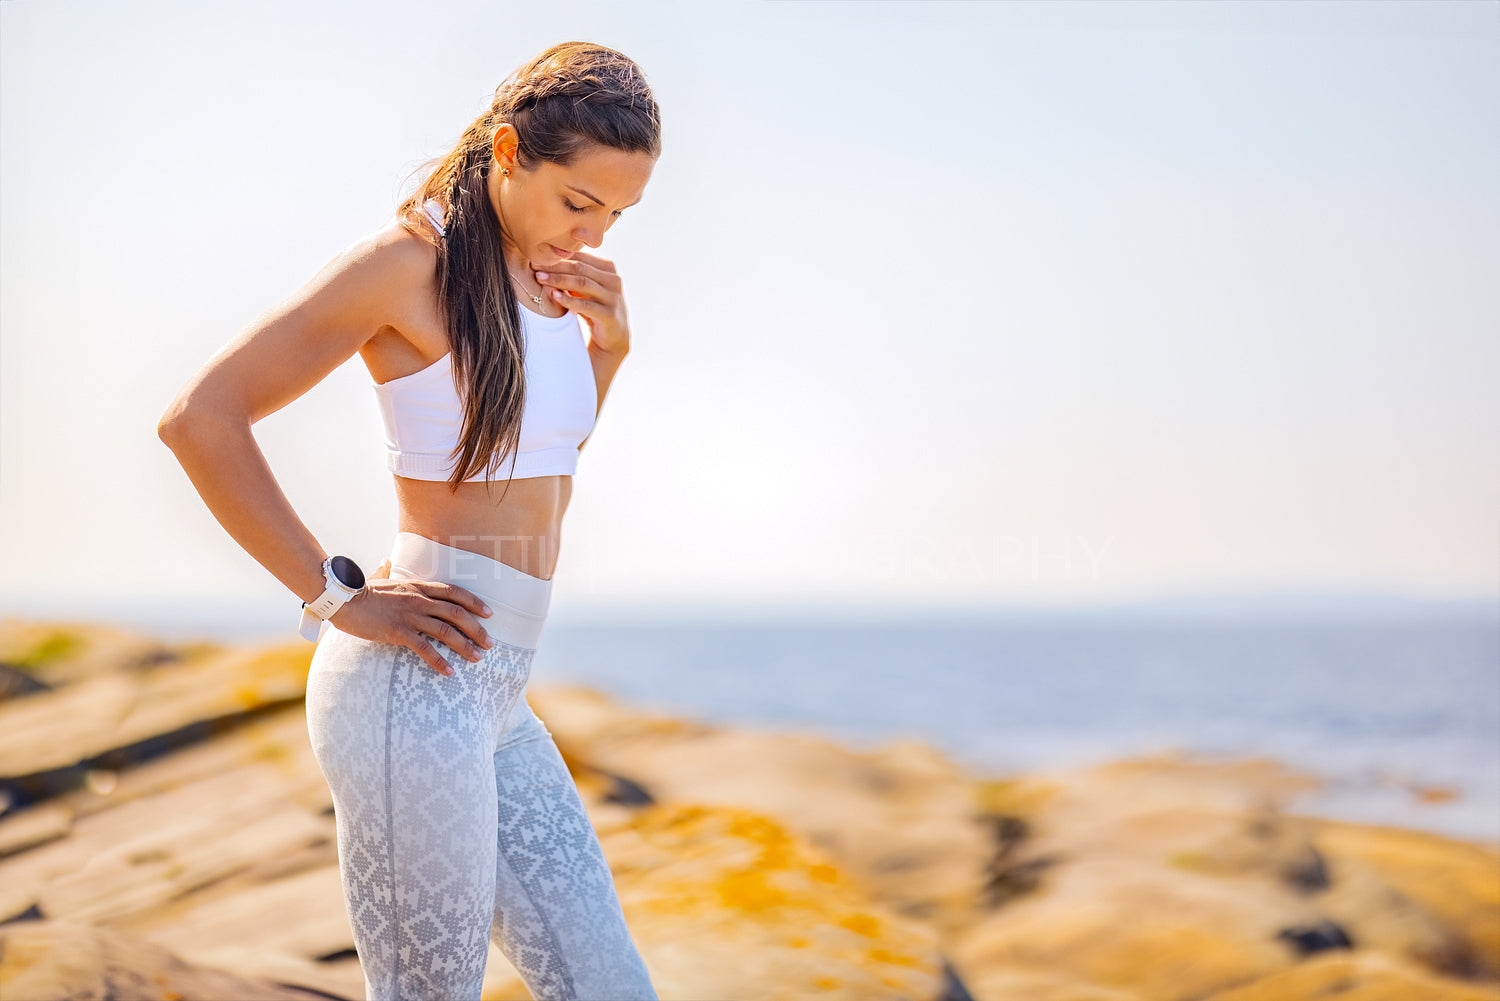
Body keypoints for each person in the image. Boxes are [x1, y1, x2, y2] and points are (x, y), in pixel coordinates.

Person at [156, 41, 661, 1001]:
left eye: (617, 216)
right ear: (510, 151)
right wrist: (332, 594)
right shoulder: (402, 265)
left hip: (499, 698)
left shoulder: (550, 280)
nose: (592, 236)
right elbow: (200, 418)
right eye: (578, 202)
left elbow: (537, 462)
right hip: (411, 694)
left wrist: (612, 348)